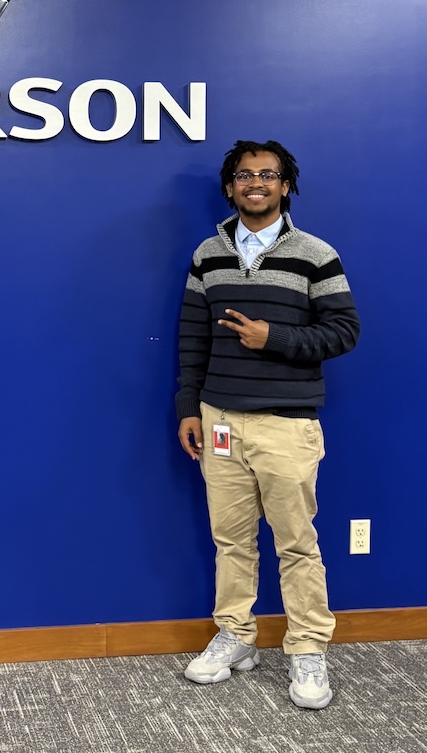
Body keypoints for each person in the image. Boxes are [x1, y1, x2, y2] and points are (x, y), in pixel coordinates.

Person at [176, 140, 360, 710]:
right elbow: (192, 338)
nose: (256, 183)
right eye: (244, 175)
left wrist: (271, 337)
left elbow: (344, 330)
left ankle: (307, 648)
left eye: (268, 175)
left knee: (297, 545)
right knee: (231, 540)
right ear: (230, 187)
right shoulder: (208, 254)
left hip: (287, 425)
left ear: (285, 186)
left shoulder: (315, 254)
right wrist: (188, 406)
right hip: (220, 419)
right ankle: (237, 635)